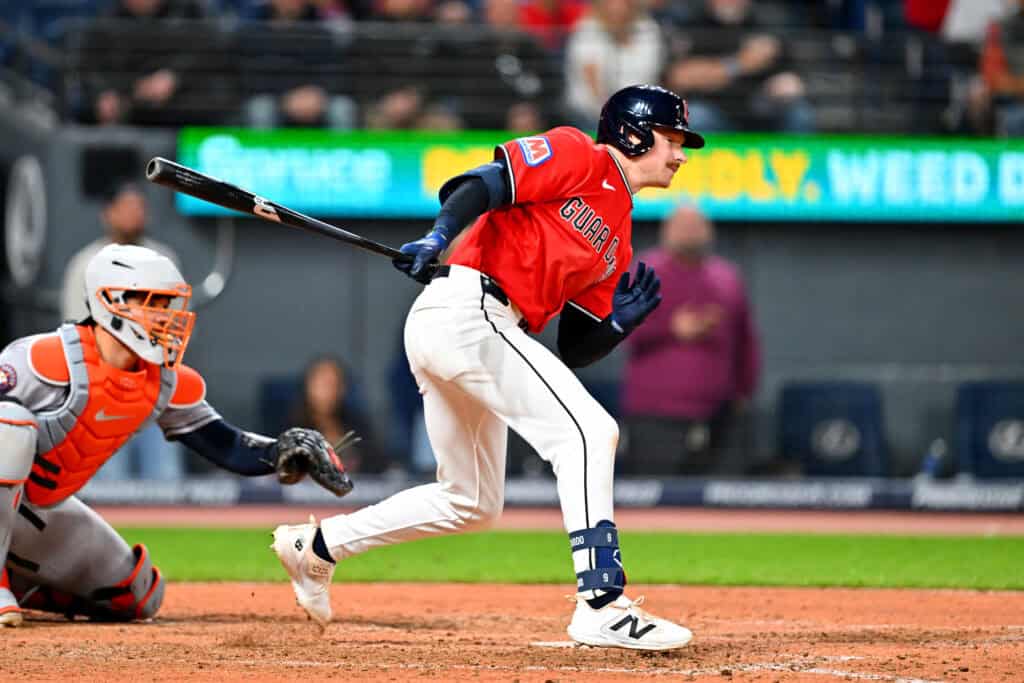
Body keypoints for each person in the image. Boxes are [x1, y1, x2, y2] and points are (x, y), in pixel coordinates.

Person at [272, 84, 703, 650]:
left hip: (484, 326)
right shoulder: (581, 154)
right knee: (591, 433)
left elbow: (574, 348)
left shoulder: (618, 239)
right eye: (672, 138)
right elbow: (484, 182)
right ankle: (601, 602)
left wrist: (619, 325)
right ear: (633, 132)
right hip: (467, 309)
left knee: (471, 501)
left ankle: (317, 548)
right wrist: (439, 234)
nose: (679, 153)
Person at [0, 244, 352, 627]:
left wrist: (283, 450)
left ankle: (17, 584)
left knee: (139, 595)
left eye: (168, 305)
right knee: (10, 424)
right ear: (110, 302)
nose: (165, 316)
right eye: (155, 303)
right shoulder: (40, 360)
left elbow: (225, 445)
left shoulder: (161, 380)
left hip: (37, 509)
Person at [621, 205, 760, 476]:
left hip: (720, 415)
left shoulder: (727, 278)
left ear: (709, 231)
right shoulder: (644, 271)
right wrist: (670, 328)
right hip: (655, 417)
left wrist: (744, 391)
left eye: (696, 226)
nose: (689, 233)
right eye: (682, 226)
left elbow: (746, 340)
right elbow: (617, 329)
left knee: (724, 504)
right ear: (666, 231)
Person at [62, 181, 185, 481]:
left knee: (166, 480)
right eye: (125, 207)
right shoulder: (85, 264)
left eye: (139, 207)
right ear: (108, 213)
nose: (134, 214)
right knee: (108, 484)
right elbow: (74, 335)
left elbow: (175, 328)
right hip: (101, 393)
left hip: (152, 387)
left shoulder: (163, 261)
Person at [663, 0, 814, 133]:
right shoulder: (693, 21)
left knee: (799, 113)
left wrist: (788, 82)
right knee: (696, 115)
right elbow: (680, 77)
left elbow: (796, 74)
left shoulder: (769, 21)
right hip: (716, 110)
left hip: (764, 109)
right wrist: (740, 63)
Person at [564, 0, 665, 127]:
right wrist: (611, 111)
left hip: (639, 109)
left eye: (623, 3)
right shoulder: (587, 30)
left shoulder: (647, 29)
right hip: (590, 112)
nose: (618, 8)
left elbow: (649, 74)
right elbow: (591, 82)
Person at [287, 355, 389, 474]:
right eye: (322, 384)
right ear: (308, 386)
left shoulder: (357, 426)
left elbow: (378, 464)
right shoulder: (292, 427)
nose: (328, 391)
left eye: (333, 384)